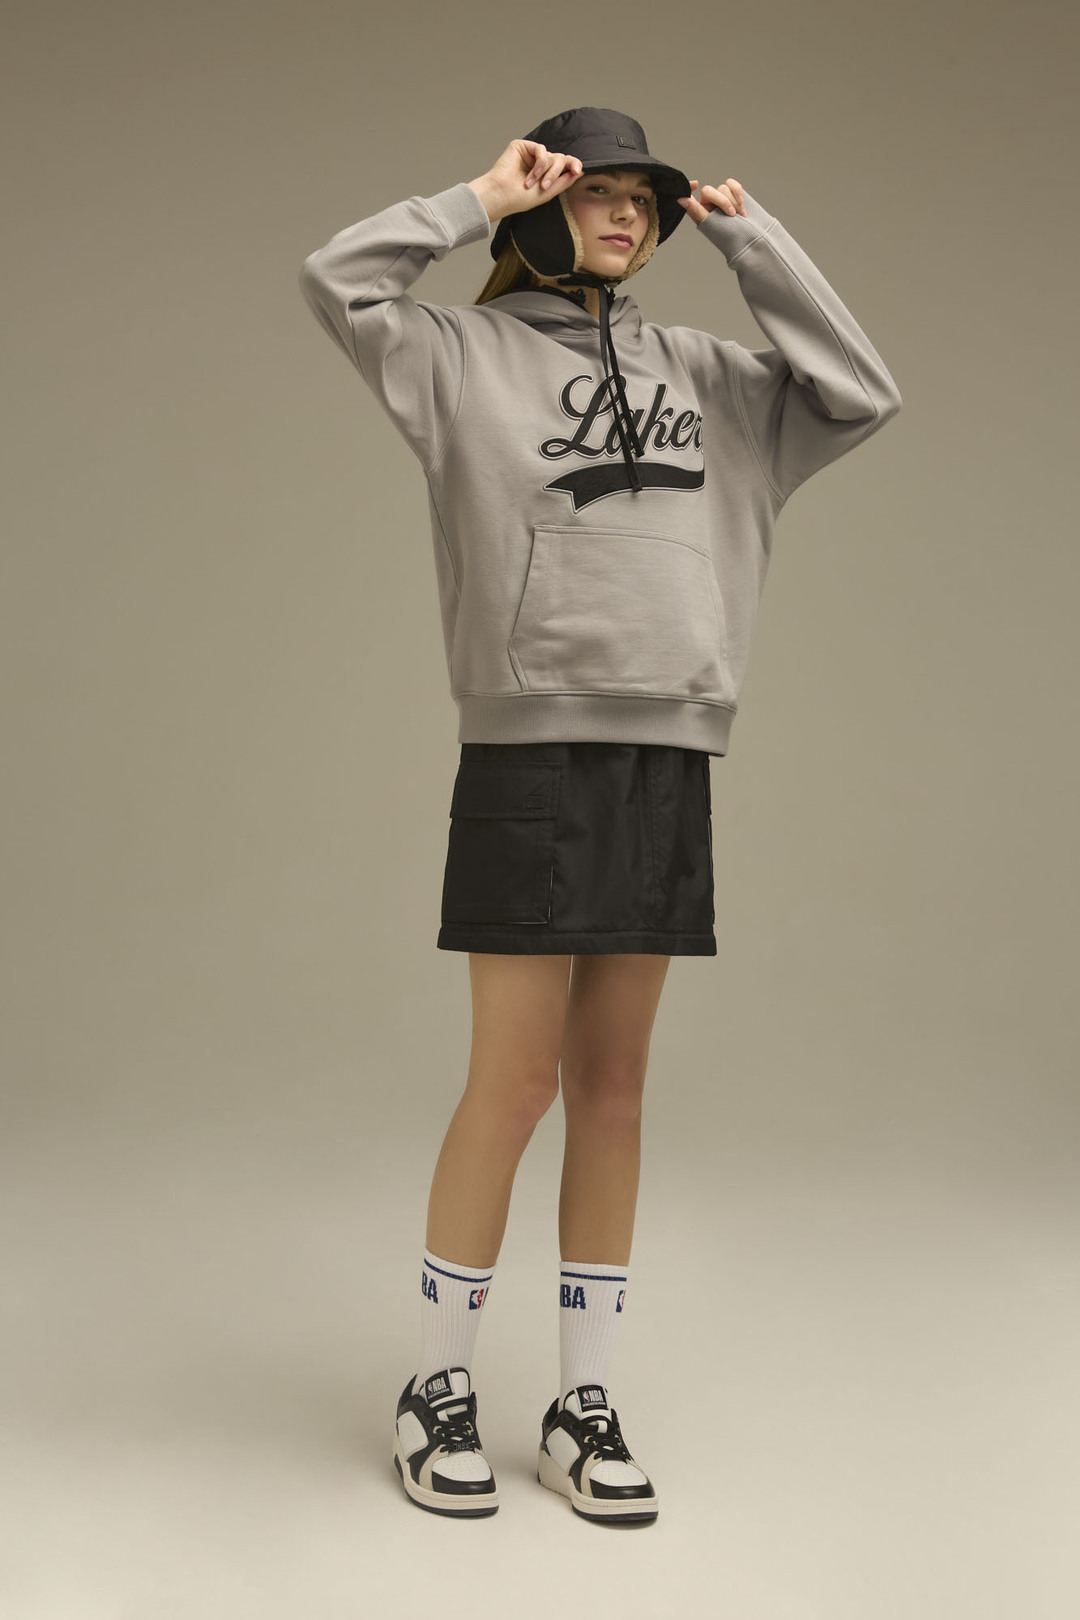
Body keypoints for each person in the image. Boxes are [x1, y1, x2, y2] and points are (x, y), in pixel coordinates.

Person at [298, 106, 902, 1525]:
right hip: (532, 746)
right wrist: (475, 194)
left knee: (615, 1089)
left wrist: (753, 244)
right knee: (514, 1084)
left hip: (667, 750)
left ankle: (583, 1404)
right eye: (594, 191)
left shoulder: (710, 374)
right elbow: (336, 281)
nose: (628, 214)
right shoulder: (456, 357)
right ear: (540, 206)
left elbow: (862, 391)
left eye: (646, 198)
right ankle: (437, 1386)